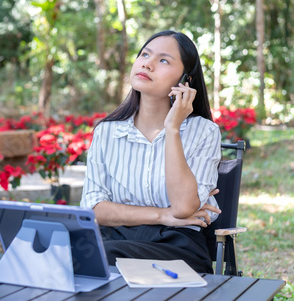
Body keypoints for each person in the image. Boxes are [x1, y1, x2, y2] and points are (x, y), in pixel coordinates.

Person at [80, 30, 222, 273]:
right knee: (65, 251)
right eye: (145, 54)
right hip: (113, 239)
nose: (148, 63)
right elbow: (93, 209)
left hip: (177, 247)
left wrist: (172, 128)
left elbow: (184, 209)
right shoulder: (107, 132)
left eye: (164, 60)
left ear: (185, 81)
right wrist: (162, 216)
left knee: (101, 257)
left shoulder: (204, 132)